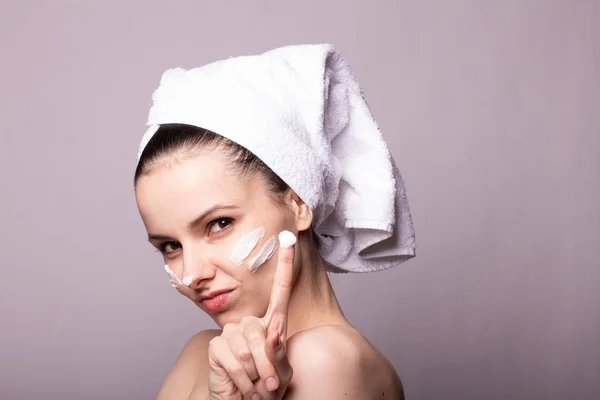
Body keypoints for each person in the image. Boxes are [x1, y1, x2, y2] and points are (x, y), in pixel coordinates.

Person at [134, 44, 416, 400]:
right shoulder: (201, 357)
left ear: (298, 203)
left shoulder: (326, 359)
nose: (192, 274)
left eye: (219, 224)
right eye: (170, 246)